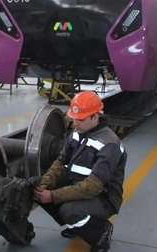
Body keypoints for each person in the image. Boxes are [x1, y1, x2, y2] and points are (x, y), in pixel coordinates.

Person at [32, 91, 127, 252]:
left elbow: (93, 187)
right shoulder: (76, 134)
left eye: (80, 119)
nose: (75, 123)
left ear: (95, 117)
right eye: (74, 118)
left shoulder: (109, 144)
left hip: (104, 197)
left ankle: (101, 233)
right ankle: (78, 226)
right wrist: (44, 183)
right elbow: (60, 163)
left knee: (68, 211)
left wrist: (54, 196)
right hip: (78, 185)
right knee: (37, 188)